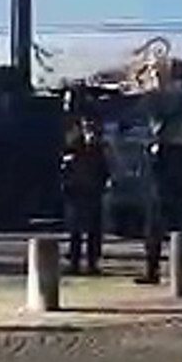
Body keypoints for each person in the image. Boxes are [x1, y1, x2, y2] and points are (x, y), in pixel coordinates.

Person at [139, 110, 182, 284]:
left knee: (156, 234)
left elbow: (154, 170)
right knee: (177, 233)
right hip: (177, 194)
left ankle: (155, 271)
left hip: (164, 194)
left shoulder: (163, 149)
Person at [61, 116, 110, 275]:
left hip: (93, 190)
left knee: (93, 229)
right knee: (76, 229)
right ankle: (75, 262)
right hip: (78, 190)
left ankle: (92, 262)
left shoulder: (100, 146)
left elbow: (106, 168)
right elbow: (66, 166)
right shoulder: (74, 144)